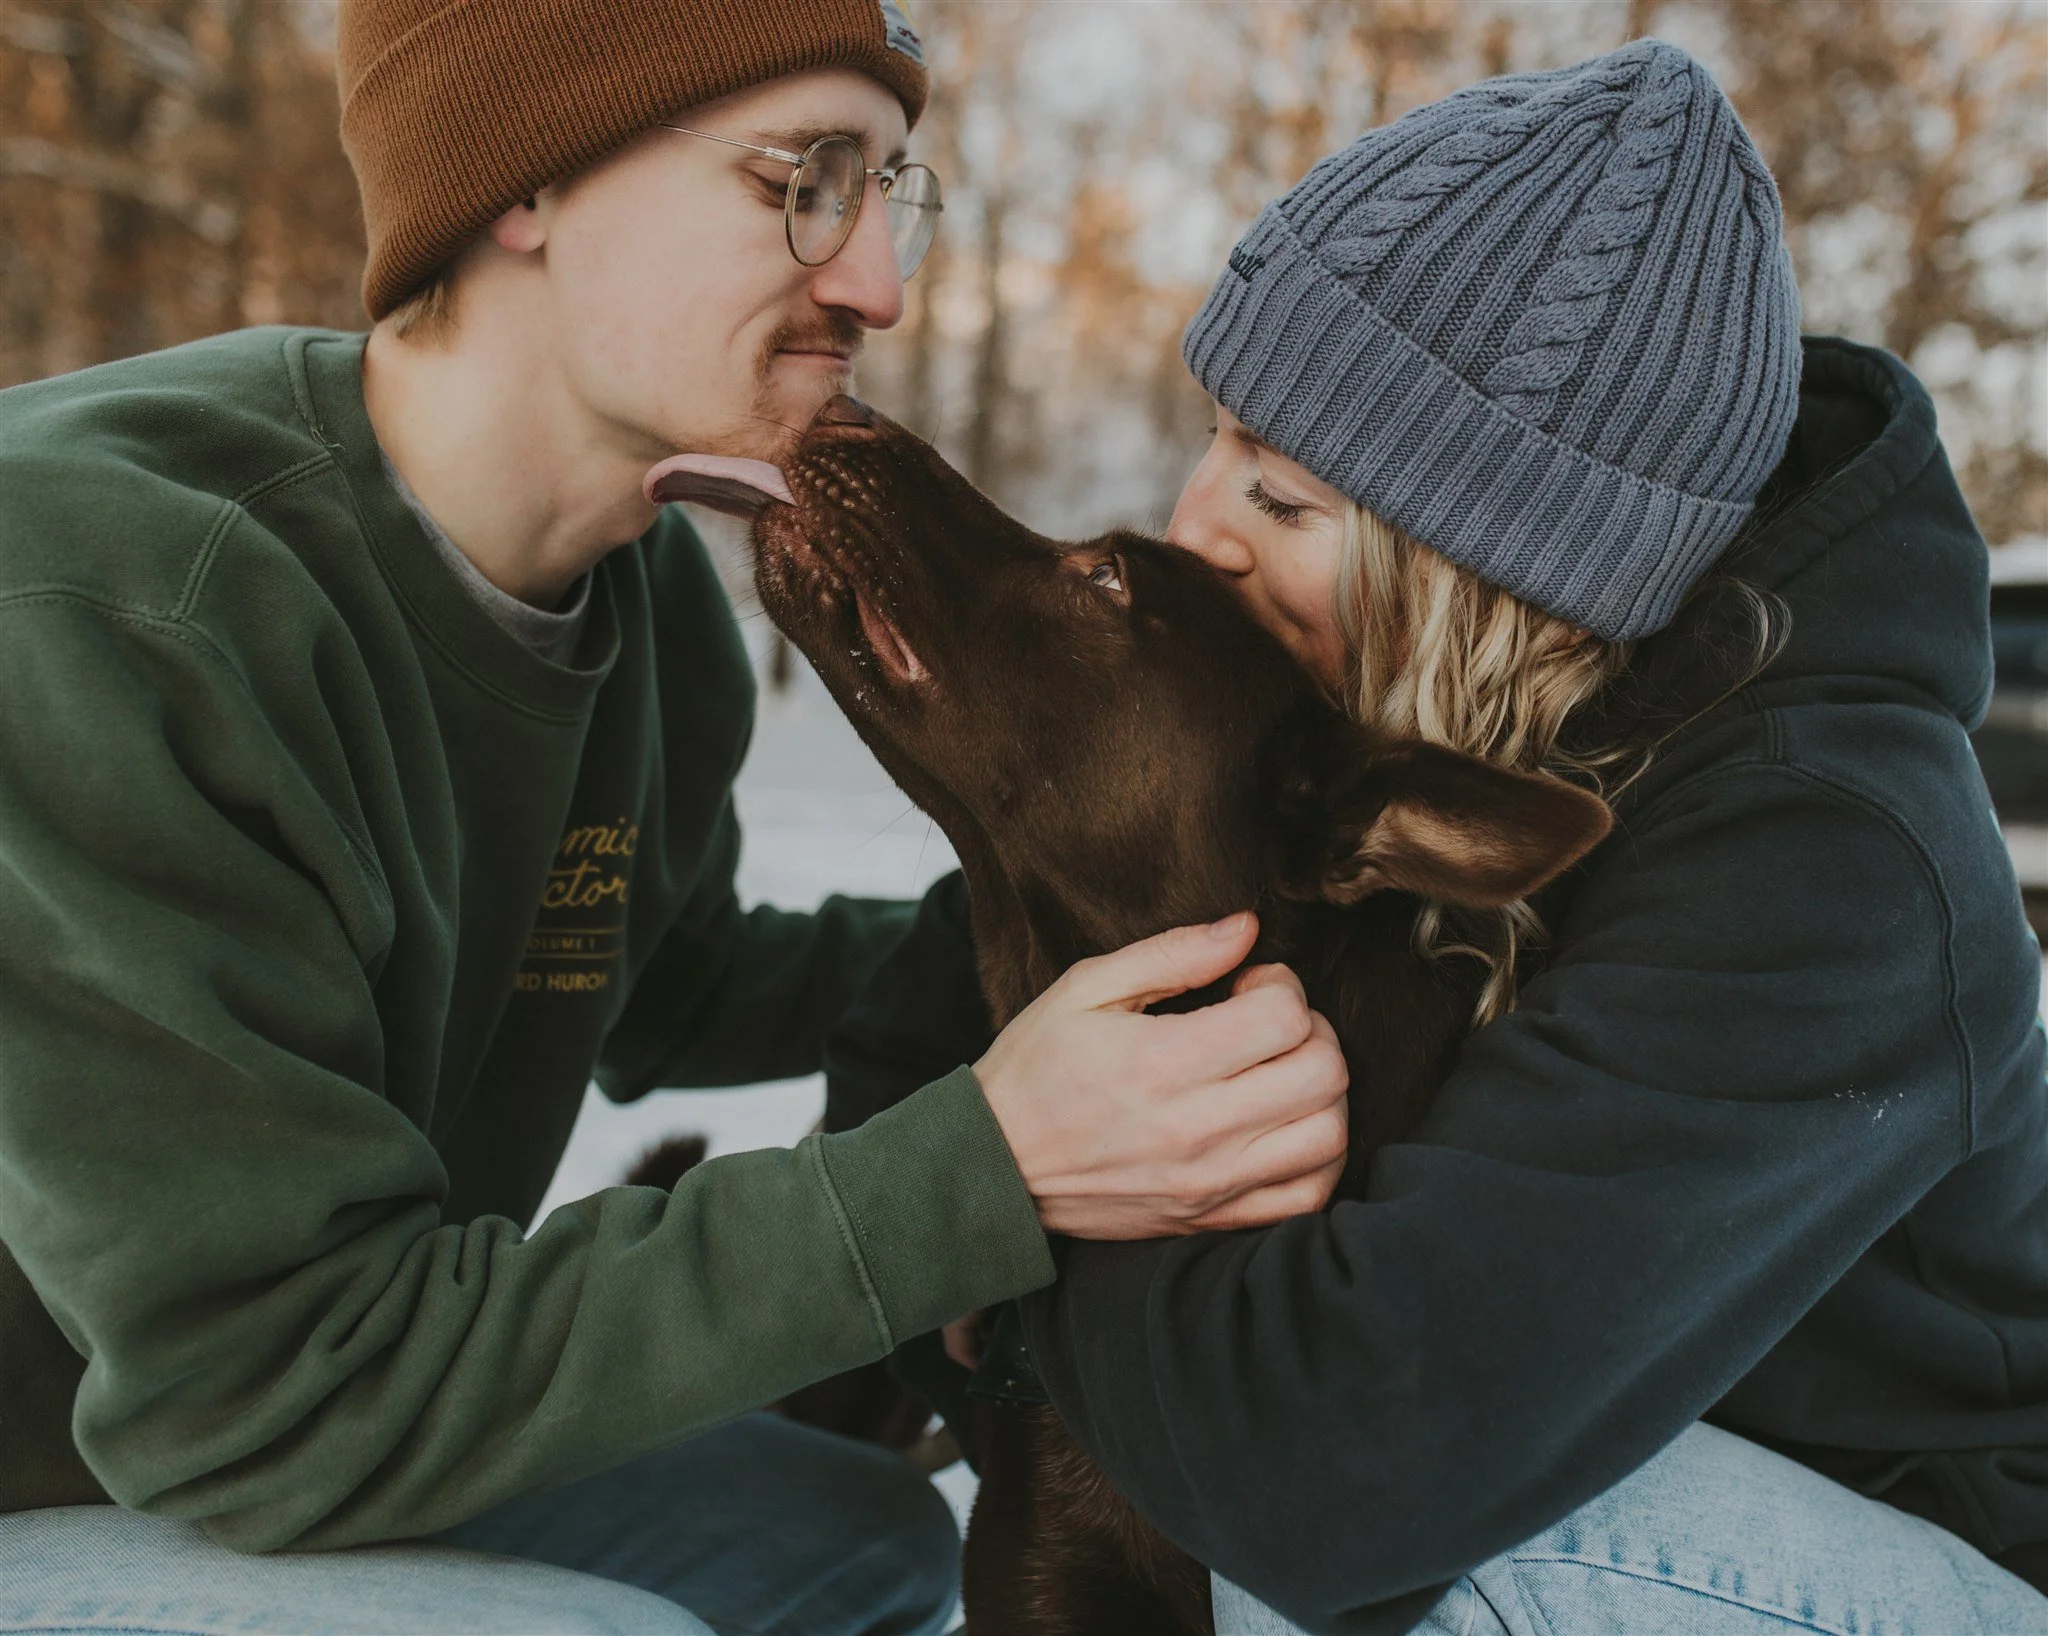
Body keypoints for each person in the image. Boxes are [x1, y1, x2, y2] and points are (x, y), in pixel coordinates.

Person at [0, 2, 1353, 1631]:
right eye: (805, 181)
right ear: (531, 177)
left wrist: (1131, 966)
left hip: (254, 1437)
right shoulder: (110, 608)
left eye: (889, 194)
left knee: (859, 1539)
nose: (878, 286)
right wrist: (990, 1164)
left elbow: (668, 973)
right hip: (126, 1452)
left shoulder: (646, 605)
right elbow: (266, 1394)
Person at [825, 39, 2048, 1636]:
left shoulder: (1830, 862)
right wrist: (974, 1226)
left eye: (1283, 500)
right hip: (1556, 1480)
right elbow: (965, 991)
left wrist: (1041, 1233)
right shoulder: (1389, 726)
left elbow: (1342, 1459)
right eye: (1218, 443)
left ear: (1492, 567)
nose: (1196, 526)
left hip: (1917, 1564)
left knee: (1361, 1557)